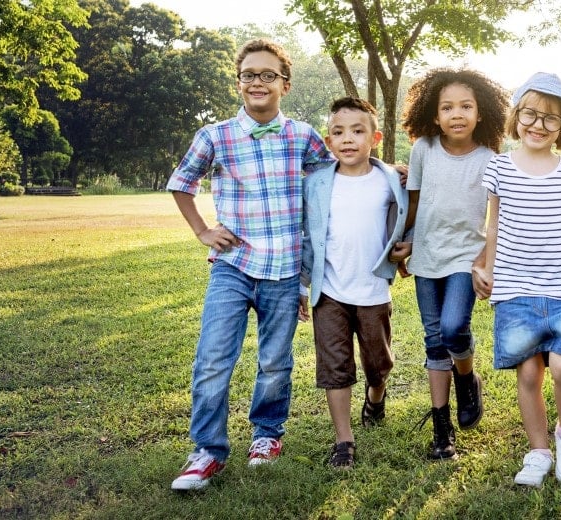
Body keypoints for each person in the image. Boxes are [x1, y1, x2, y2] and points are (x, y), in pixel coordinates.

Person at [167, 38, 334, 491]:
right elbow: (182, 182)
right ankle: (206, 450)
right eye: (248, 75)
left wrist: (387, 171)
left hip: (284, 269)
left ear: (285, 83)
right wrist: (203, 230)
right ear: (238, 82)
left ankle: (266, 436)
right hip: (233, 264)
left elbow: (337, 174)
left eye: (267, 75)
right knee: (213, 358)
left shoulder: (303, 135)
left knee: (275, 361)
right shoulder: (214, 135)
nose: (256, 82)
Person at [472, 72, 561, 486]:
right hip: (514, 287)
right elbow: (492, 225)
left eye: (550, 119)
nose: (538, 125)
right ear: (516, 118)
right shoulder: (499, 167)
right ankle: (537, 451)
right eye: (530, 114)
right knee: (530, 374)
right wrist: (485, 267)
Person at [392, 68, 509, 460]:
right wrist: (404, 242)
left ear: (481, 113)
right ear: (434, 113)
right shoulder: (424, 149)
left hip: (466, 256)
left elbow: (498, 217)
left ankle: (467, 379)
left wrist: (487, 259)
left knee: (454, 327)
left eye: (465, 106)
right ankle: (442, 431)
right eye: (447, 107)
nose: (456, 114)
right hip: (426, 255)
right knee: (433, 339)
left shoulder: (491, 159)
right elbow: (414, 202)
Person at [298, 97, 407, 470]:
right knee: (335, 366)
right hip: (329, 290)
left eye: (358, 131)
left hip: (373, 289)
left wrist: (406, 249)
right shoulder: (315, 184)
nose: (348, 139)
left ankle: (376, 397)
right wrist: (303, 285)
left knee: (378, 363)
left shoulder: (390, 180)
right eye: (339, 133)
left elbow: (409, 218)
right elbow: (307, 237)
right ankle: (344, 440)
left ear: (374, 137)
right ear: (329, 142)